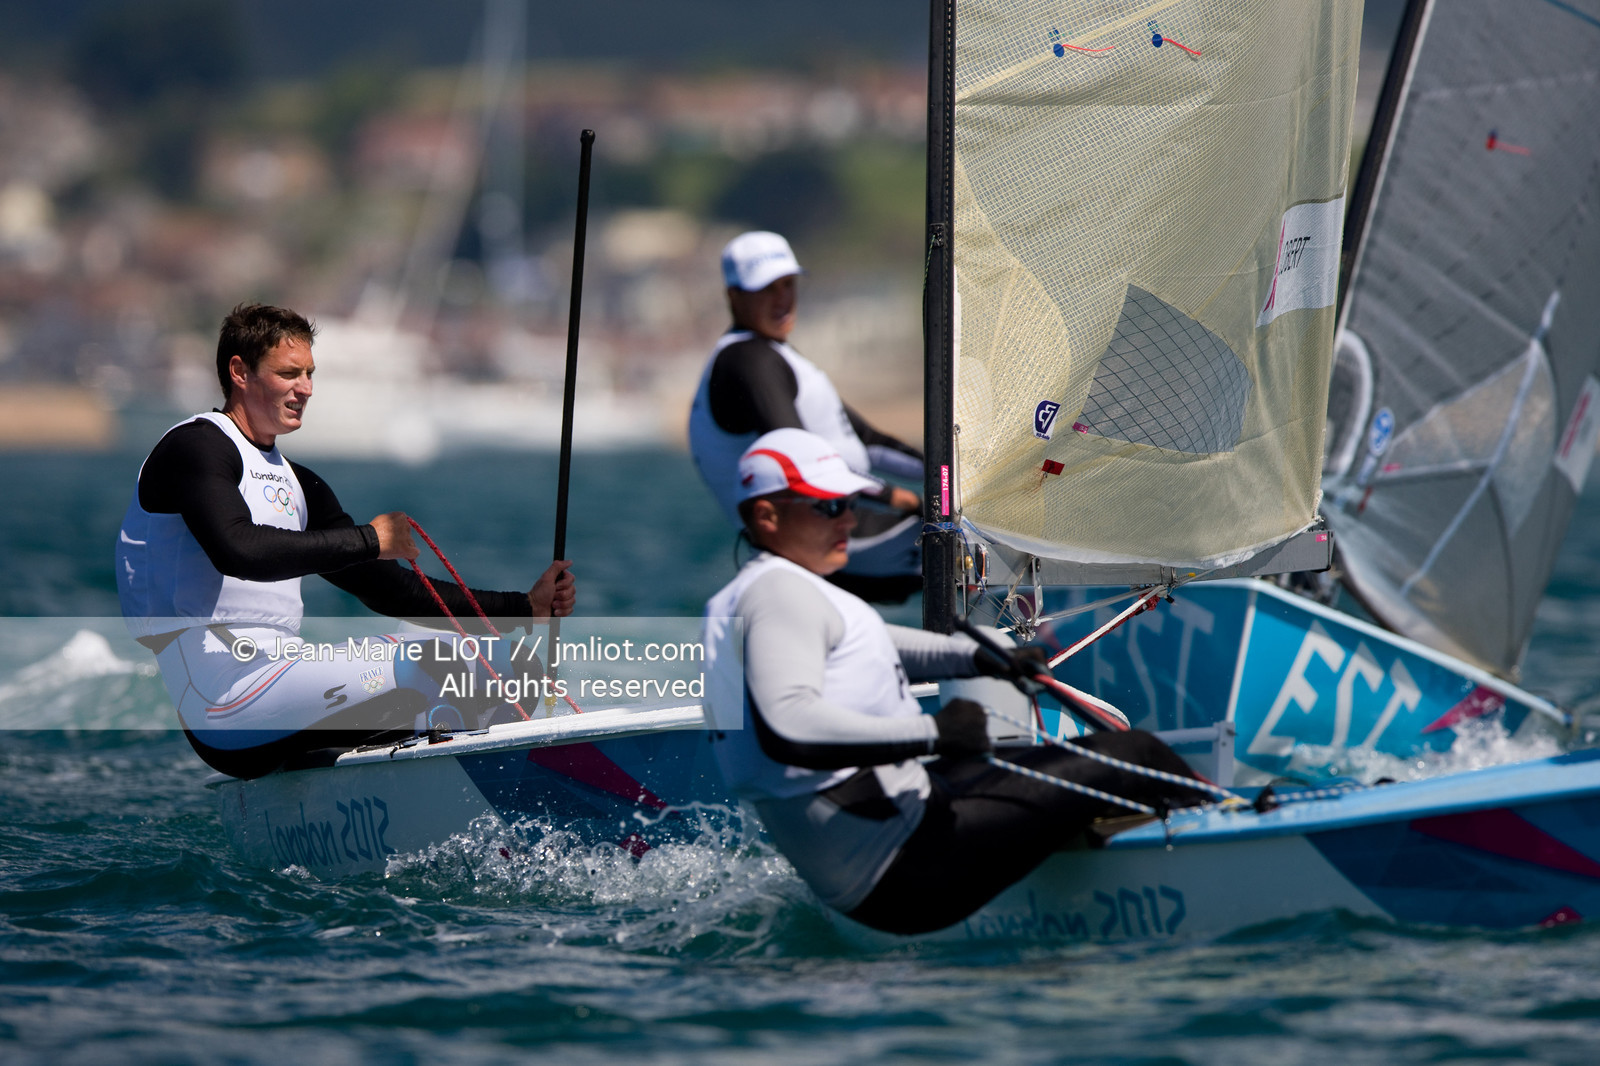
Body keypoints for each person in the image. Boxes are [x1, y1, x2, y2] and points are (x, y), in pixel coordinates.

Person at [702, 428, 1207, 936]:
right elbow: (789, 728)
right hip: (907, 867)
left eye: (849, 503)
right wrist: (934, 734)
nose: (850, 520)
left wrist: (983, 659)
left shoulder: (749, 597)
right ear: (767, 516)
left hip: (889, 841)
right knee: (1135, 751)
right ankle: (1233, 833)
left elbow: (874, 647)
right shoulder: (780, 597)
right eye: (828, 507)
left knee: (1062, 755)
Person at [116, 303, 576, 779]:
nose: (306, 388)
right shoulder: (195, 448)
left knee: (510, 664)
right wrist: (369, 539)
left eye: (310, 373)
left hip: (283, 680)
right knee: (430, 666)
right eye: (289, 373)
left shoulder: (298, 483)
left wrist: (525, 607)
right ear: (240, 372)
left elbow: (389, 589)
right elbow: (241, 551)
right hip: (222, 701)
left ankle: (504, 803)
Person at [688, 230, 925, 603]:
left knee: (974, 545)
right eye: (766, 289)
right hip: (820, 527)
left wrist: (950, 471)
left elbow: (868, 442)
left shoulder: (774, 354)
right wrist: (899, 497)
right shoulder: (746, 360)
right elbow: (798, 463)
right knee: (982, 548)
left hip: (837, 516)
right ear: (733, 297)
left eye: (788, 284)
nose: (782, 299)